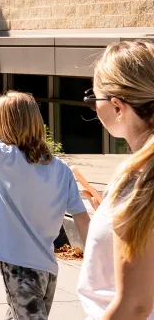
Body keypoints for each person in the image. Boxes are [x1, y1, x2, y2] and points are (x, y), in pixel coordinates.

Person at [0, 91, 90, 320]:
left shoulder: (5, 157)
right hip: (48, 267)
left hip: (19, 266)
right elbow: (82, 218)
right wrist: (95, 261)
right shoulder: (61, 169)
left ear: (4, 124)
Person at [79, 40, 154, 319]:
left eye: (93, 98)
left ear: (118, 106)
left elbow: (134, 306)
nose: (94, 109)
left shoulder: (141, 178)